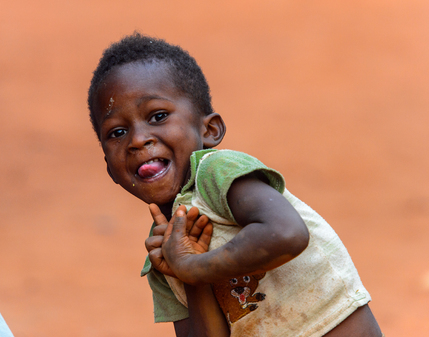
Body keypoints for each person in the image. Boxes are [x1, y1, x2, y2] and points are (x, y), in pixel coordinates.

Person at [87, 32, 383, 337]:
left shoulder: (216, 173)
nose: (137, 139)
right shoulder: (163, 252)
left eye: (158, 116)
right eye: (117, 133)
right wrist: (188, 276)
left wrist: (194, 266)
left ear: (210, 130)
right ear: (110, 168)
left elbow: (287, 233)